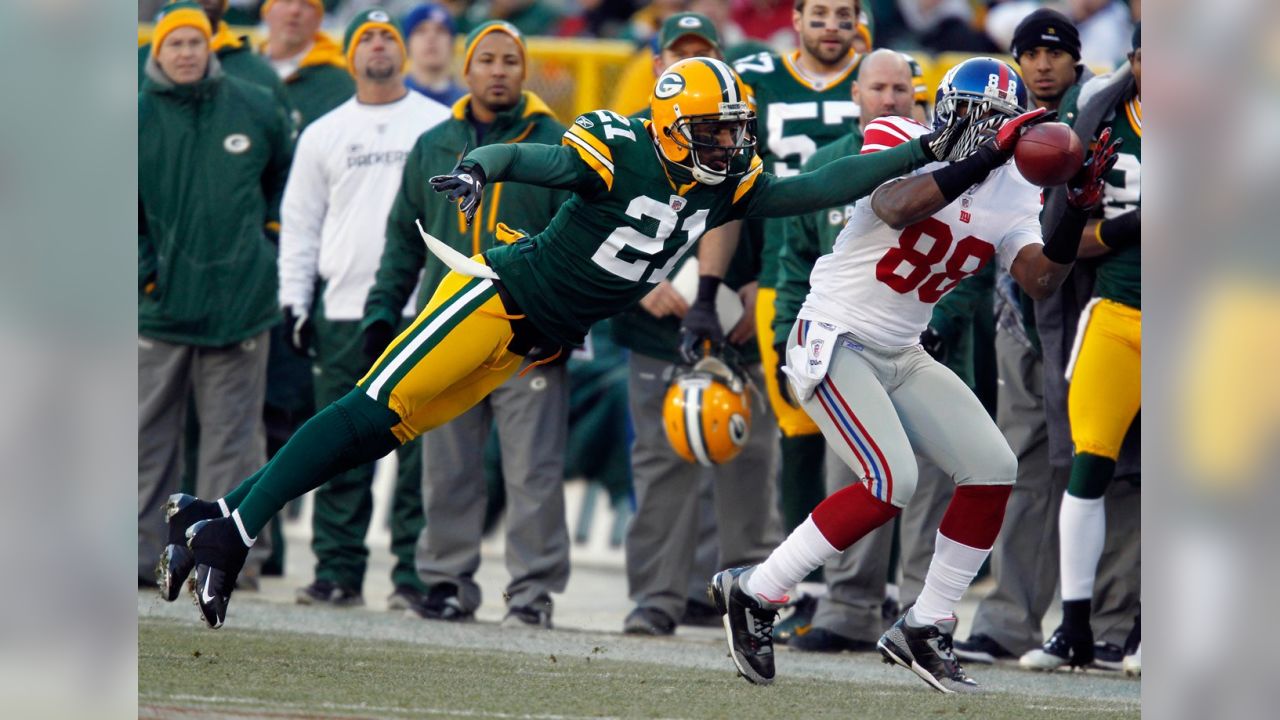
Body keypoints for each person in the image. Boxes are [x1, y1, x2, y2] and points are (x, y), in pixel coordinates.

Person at [172, 52, 989, 630]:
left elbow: (814, 184)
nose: (730, 146)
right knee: (370, 409)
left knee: (383, 434)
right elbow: (536, 158)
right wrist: (482, 168)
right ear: (670, 128)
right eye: (714, 132)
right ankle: (232, 532)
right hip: (497, 299)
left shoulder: (726, 178)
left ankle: (211, 518)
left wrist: (927, 150)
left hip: (540, 340)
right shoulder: (624, 147)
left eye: (734, 131)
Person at [709, 56, 1120, 693]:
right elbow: (898, 208)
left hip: (902, 349)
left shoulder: (1016, 188)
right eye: (975, 118)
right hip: (834, 334)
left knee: (993, 467)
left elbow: (1041, 280)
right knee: (889, 480)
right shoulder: (899, 137)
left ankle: (925, 623)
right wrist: (980, 158)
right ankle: (758, 591)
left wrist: (1072, 209)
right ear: (947, 109)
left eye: (999, 123)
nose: (987, 131)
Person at [363, 21, 573, 629]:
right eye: (487, 59)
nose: (500, 70)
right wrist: (384, 313)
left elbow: (581, 245)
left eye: (511, 59)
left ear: (525, 69)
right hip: (448, 331)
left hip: (528, 339)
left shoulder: (559, 144)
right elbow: (404, 241)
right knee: (447, 467)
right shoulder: (435, 142)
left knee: (533, 472)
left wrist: (564, 326)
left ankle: (531, 595)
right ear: (467, 67)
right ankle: (447, 582)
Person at [953, 6, 1138, 666]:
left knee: (1114, 469)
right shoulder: (992, 114)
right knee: (1025, 467)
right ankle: (1008, 619)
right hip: (1021, 317)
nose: (1042, 63)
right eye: (1030, 51)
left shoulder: (1107, 108)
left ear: (1078, 59)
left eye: (1056, 52)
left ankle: (1112, 623)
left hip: (1100, 310)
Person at [610, 12, 782, 638]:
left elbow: (778, 220)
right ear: (656, 67)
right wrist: (639, 286)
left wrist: (763, 282)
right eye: (677, 57)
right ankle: (655, 599)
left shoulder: (748, 142)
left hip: (737, 324)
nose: (687, 66)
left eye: (701, 55)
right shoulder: (626, 140)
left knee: (749, 463)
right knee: (660, 463)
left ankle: (748, 600)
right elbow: (593, 234)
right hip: (656, 326)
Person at [273, 9, 450, 610]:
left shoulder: (440, 123)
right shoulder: (323, 131)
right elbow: (300, 225)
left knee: (422, 448)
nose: (377, 45)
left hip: (422, 305)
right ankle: (337, 570)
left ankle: (414, 576)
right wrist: (296, 301)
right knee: (339, 446)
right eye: (367, 37)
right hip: (344, 307)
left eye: (387, 36)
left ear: (402, 52)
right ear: (349, 54)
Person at [769, 49, 924, 653]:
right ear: (855, 96)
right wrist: (789, 346)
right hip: (846, 352)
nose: (889, 99)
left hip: (924, 349)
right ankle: (851, 608)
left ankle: (922, 617)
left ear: (917, 95)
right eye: (878, 88)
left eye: (900, 89)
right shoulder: (828, 165)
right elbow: (793, 266)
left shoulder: (950, 163)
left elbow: (974, 261)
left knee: (933, 483)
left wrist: (941, 324)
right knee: (860, 477)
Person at [140, 2, 292, 596]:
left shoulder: (254, 103)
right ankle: (140, 554)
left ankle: (229, 556)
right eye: (173, 43)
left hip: (240, 303)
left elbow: (285, 178)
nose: (185, 53)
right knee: (144, 437)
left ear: (210, 48)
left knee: (234, 439)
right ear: (158, 52)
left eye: (194, 43)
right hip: (161, 305)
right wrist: (143, 273)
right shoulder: (133, 116)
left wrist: (268, 243)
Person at [729, 0, 866, 633]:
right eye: (820, 14)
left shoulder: (881, 80)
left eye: (844, 15)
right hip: (784, 267)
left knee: (860, 446)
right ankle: (799, 586)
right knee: (797, 430)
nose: (831, 27)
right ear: (798, 18)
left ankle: (865, 585)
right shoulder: (754, 76)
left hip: (863, 276)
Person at [1021, 23, 1142, 673]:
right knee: (1086, 470)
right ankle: (1072, 629)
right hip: (1116, 312)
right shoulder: (1103, 121)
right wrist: (1131, 222)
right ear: (1135, 61)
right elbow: (1065, 243)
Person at [139, 1, 286, 99]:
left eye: (195, 43)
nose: (187, 54)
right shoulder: (137, 65)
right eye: (176, 44)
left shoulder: (257, 73)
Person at [402, 3, 466, 106]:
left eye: (440, 30)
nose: (431, 37)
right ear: (407, 44)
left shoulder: (466, 105)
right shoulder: (393, 97)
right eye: (421, 31)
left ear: (452, 44)